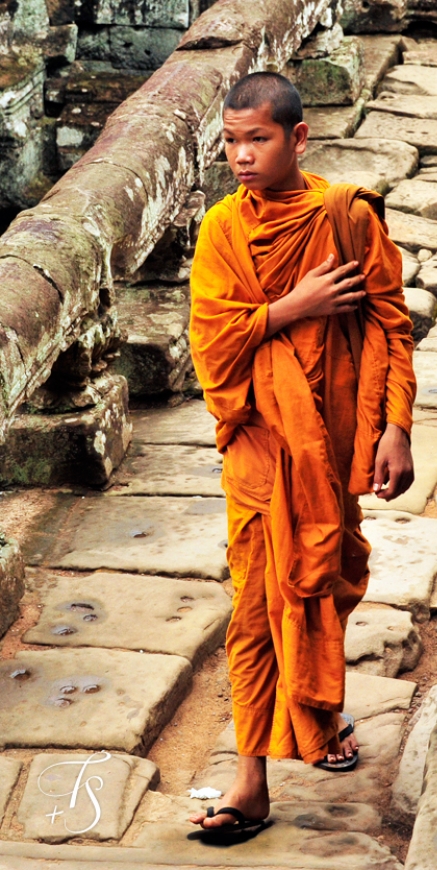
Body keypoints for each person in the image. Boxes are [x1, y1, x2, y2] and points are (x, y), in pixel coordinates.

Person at [189, 71, 416, 831]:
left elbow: (390, 324)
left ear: (296, 137)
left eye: (257, 138)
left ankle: (319, 719)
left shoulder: (345, 218)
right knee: (254, 610)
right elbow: (211, 344)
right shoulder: (221, 228)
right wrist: (293, 307)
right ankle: (247, 782)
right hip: (258, 447)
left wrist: (396, 427)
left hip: (331, 445)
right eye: (230, 140)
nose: (241, 156)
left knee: (326, 577)